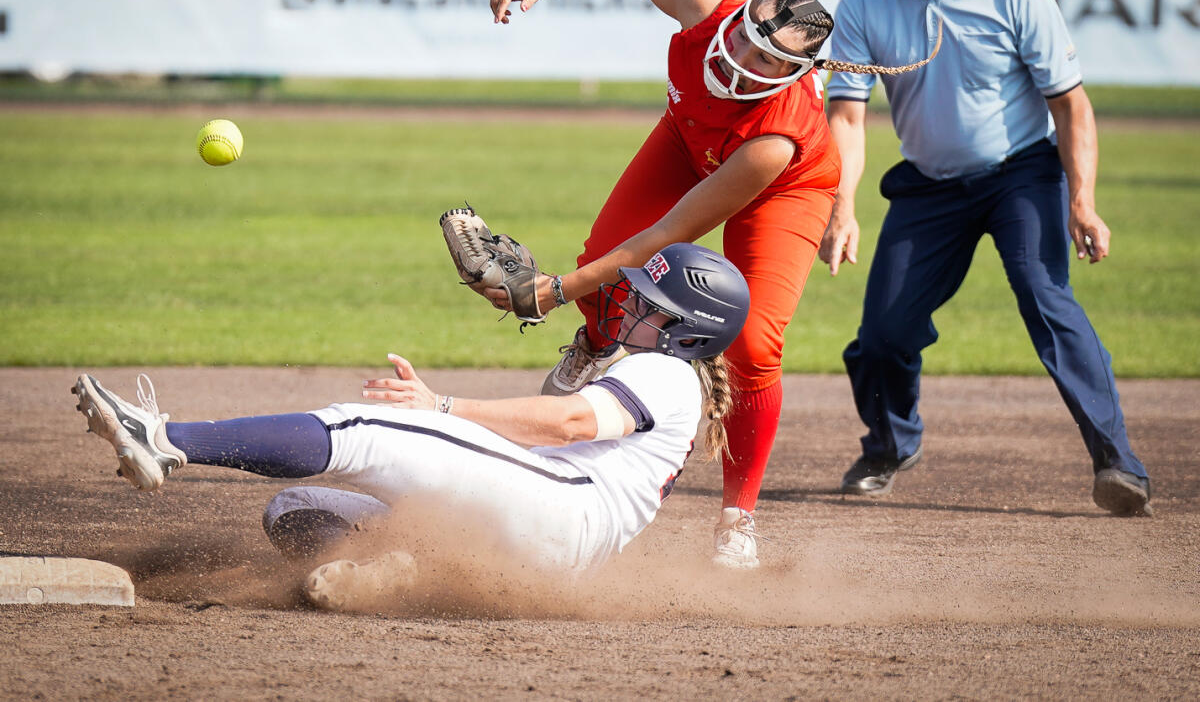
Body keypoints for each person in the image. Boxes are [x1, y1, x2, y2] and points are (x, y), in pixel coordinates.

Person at [486, 0, 933, 567]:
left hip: (786, 189)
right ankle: (595, 340)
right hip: (688, 136)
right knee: (602, 259)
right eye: (747, 36)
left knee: (752, 345)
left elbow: (668, 236)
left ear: (797, 74)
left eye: (767, 59)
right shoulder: (707, 11)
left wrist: (555, 289)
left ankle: (737, 516)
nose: (743, 58)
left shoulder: (774, 139)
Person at [72, 243, 750, 609]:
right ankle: (386, 576)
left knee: (369, 426)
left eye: (651, 303)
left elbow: (568, 423)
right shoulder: (660, 372)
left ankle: (164, 439)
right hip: (547, 536)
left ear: (689, 334)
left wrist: (442, 407)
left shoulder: (667, 372)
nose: (631, 303)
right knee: (297, 507)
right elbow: (558, 424)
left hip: (559, 511)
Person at [818, 0, 1151, 516]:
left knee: (1046, 299)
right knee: (884, 334)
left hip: (1021, 173)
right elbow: (848, 115)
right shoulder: (861, 2)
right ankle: (890, 443)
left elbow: (1071, 105)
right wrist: (841, 207)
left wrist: (1081, 199)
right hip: (927, 186)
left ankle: (1117, 461)